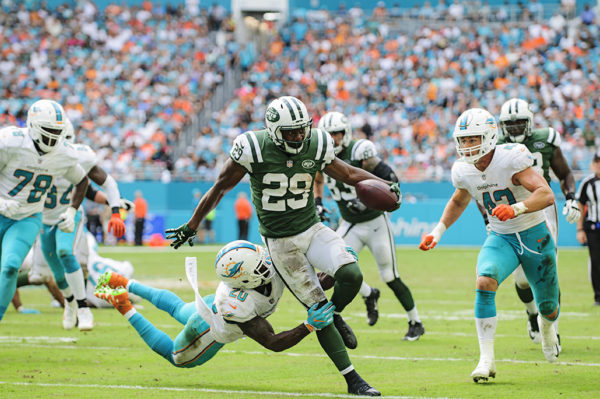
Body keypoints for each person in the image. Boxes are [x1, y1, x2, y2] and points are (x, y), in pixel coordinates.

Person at [166, 96, 402, 396]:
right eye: (290, 132)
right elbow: (219, 188)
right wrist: (192, 225)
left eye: (301, 129)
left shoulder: (316, 142)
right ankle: (353, 380)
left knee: (352, 275)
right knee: (317, 309)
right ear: (275, 131)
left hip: (311, 227)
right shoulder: (252, 148)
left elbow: (350, 174)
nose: (298, 136)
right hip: (279, 241)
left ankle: (337, 312)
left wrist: (385, 186)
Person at [419, 108, 561, 382]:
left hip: (534, 234)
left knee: (549, 307)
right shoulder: (463, 169)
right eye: (463, 140)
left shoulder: (511, 158)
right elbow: (459, 200)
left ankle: (546, 328)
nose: (467, 146)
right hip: (501, 237)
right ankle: (486, 360)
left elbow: (545, 194)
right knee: (485, 281)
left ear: (488, 136)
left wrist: (517, 208)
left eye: (473, 139)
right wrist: (438, 231)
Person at [93, 241, 336, 375]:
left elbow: (308, 280)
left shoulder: (251, 273)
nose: (268, 266)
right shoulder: (238, 305)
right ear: (248, 278)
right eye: (261, 267)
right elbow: (272, 342)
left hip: (208, 305)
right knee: (177, 359)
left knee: (177, 308)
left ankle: (123, 282)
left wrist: (337, 268)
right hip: (209, 329)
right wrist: (308, 325)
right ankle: (124, 304)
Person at [315, 111, 424, 340]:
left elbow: (390, 179)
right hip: (349, 223)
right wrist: (317, 201)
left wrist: (374, 198)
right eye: (329, 134)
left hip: (375, 222)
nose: (333, 138)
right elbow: (318, 178)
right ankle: (368, 294)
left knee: (389, 275)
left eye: (337, 133)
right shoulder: (320, 152)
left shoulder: (360, 151)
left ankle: (415, 321)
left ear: (346, 133)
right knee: (335, 269)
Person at [476, 98, 578, 344]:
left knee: (547, 268)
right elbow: (479, 188)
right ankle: (532, 314)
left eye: (520, 122)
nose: (515, 128)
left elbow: (564, 173)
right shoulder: (493, 147)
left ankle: (550, 327)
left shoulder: (545, 140)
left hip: (541, 206)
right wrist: (487, 219)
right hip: (508, 210)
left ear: (530, 122)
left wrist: (571, 198)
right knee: (521, 279)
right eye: (510, 124)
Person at [0, 99, 89, 323]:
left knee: (11, 266)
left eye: (57, 132)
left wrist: (72, 211)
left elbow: (82, 181)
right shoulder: (11, 142)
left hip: (27, 217)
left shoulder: (64, 153)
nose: (52, 138)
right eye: (48, 131)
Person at [40, 118, 126, 331]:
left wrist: (115, 210)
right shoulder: (33, 156)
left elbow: (107, 183)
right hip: (42, 218)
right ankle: (69, 302)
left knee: (65, 252)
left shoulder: (80, 156)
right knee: (55, 272)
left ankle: (83, 307)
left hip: (69, 214)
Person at [576, 151, 600, 306]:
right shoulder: (588, 182)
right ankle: (598, 296)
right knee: (596, 261)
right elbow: (580, 204)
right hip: (593, 227)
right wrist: (580, 229)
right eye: (597, 162)